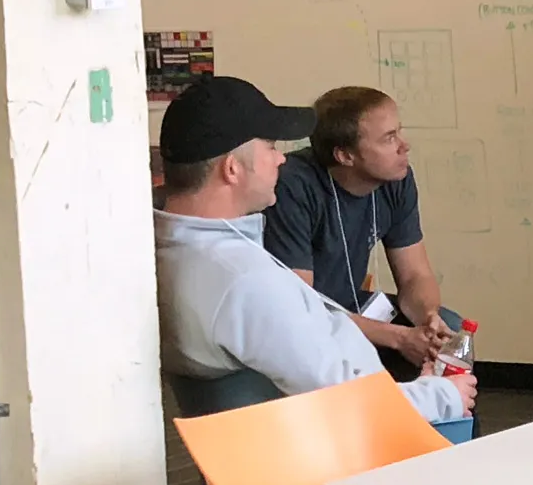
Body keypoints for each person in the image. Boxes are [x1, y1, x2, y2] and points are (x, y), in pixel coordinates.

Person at [153, 75, 468, 424]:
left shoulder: (170, 248)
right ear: (232, 169)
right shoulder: (245, 279)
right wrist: (442, 396)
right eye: (271, 147)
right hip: (327, 442)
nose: (280, 160)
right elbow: (344, 397)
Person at [264, 86, 460, 379]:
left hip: (351, 305)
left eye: (399, 132)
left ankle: (438, 420)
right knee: (405, 347)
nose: (404, 146)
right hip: (300, 322)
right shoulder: (293, 187)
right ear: (345, 156)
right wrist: (398, 337)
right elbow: (301, 310)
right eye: (389, 138)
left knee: (447, 329)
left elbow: (415, 275)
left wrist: (428, 318)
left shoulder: (396, 179)